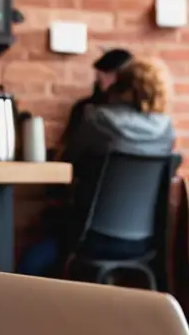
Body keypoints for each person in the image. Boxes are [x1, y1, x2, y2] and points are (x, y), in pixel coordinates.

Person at [19, 57, 175, 276]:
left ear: (119, 87)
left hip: (91, 236)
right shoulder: (167, 131)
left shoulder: (97, 119)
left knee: (36, 252)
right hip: (144, 241)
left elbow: (69, 161)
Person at [59, 47, 133, 156]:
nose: (100, 78)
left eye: (108, 74)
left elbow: (69, 155)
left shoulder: (89, 112)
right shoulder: (157, 121)